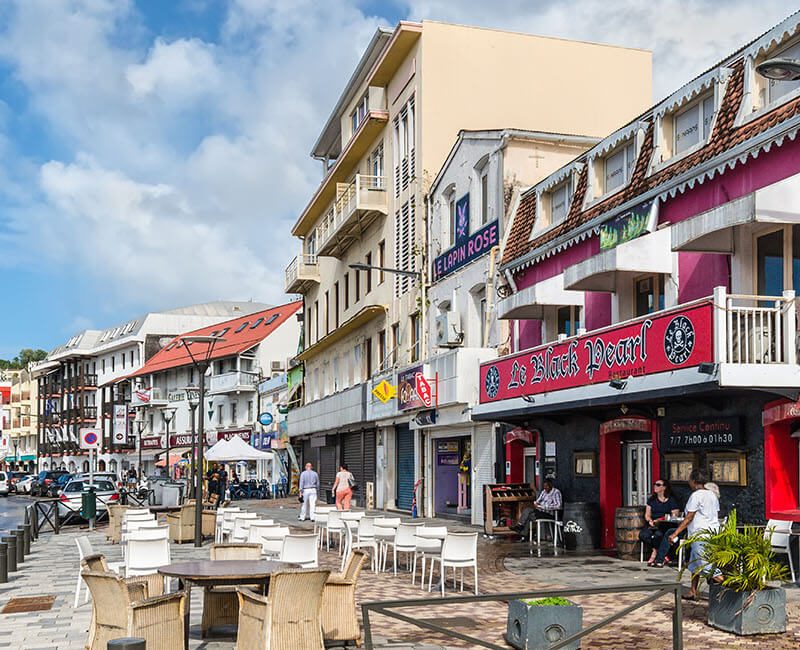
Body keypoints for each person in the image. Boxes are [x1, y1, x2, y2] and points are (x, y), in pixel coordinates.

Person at [666, 468, 722, 600]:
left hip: (700, 535)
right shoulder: (712, 495)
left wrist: (675, 533)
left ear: (694, 481)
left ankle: (734, 588)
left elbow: (689, 517)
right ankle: (693, 591)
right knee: (694, 564)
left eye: (690, 479)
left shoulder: (696, 495)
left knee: (706, 566)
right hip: (712, 533)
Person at [639, 479, 681, 566]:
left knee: (659, 535)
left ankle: (655, 554)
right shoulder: (652, 499)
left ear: (664, 487)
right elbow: (647, 514)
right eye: (655, 484)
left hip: (665, 524)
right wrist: (650, 520)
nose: (655, 486)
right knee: (643, 535)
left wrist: (662, 519)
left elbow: (675, 514)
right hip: (653, 523)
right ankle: (658, 551)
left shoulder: (671, 500)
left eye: (658, 485)